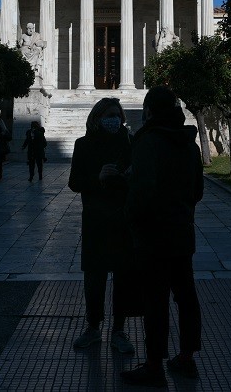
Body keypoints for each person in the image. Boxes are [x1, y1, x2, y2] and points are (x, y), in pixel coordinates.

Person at [121, 86, 204, 387]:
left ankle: (154, 363)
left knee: (155, 301)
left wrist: (129, 218)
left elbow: (142, 192)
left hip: (154, 237)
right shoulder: (190, 146)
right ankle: (187, 358)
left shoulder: (148, 143)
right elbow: (198, 191)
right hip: (182, 234)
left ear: (150, 112)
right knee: (186, 297)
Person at [68, 98, 140, 354]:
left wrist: (131, 174)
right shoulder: (83, 145)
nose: (114, 120)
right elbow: (74, 182)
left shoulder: (131, 143)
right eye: (109, 115)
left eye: (117, 115)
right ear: (98, 117)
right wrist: (98, 178)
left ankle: (119, 330)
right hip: (96, 220)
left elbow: (141, 179)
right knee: (94, 278)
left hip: (123, 219)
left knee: (123, 278)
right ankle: (93, 327)